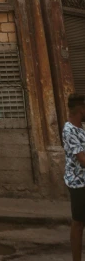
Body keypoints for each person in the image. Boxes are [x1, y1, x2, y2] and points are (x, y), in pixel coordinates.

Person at [62, 93, 85, 261]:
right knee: (78, 223)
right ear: (81, 109)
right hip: (78, 183)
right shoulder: (70, 130)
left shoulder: (80, 128)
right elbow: (82, 160)